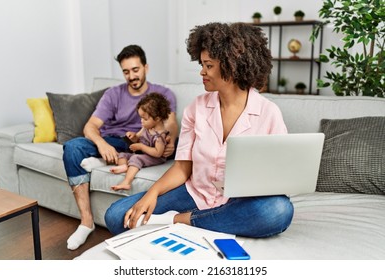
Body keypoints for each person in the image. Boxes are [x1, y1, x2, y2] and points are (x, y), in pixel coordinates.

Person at [104, 23, 294, 238]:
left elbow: (277, 176)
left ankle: (178, 220)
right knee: (116, 215)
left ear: (233, 66)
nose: (202, 71)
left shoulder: (268, 113)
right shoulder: (196, 108)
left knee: (278, 211)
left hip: (239, 200)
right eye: (202, 64)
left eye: (209, 65)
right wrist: (152, 193)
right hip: (196, 193)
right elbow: (183, 168)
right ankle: (216, 221)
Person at [63, 45, 178, 250]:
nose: (131, 76)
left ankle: (102, 159)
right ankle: (86, 222)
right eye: (126, 72)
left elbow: (171, 125)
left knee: (130, 146)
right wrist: (101, 143)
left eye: (135, 70)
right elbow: (90, 126)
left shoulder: (163, 94)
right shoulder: (113, 94)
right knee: (72, 148)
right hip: (109, 139)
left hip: (135, 144)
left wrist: (170, 141)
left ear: (146, 67)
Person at [110, 92, 171, 191]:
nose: (142, 121)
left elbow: (158, 153)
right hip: (144, 154)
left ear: (157, 118)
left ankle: (126, 182)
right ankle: (124, 166)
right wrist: (133, 136)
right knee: (122, 155)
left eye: (145, 118)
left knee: (136, 158)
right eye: (141, 118)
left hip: (156, 158)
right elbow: (138, 137)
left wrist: (141, 147)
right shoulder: (146, 127)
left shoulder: (160, 135)